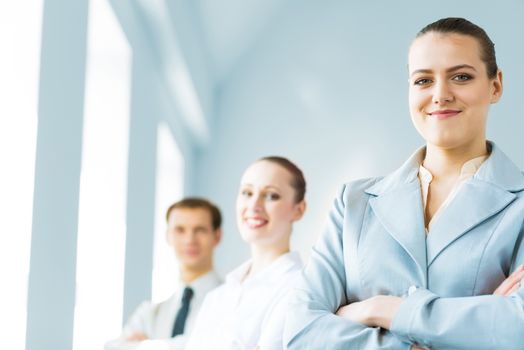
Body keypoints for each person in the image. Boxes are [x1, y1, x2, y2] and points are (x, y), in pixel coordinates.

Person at [284, 17, 524, 350]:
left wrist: (384, 311)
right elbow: (300, 329)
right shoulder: (353, 201)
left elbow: (519, 326)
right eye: (424, 80)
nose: (440, 95)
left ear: (495, 86)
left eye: (461, 77)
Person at [186, 156, 307, 350]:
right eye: (247, 193)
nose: (254, 206)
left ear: (298, 210)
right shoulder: (217, 297)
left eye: (271, 195)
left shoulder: (300, 289)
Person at [105, 198, 223, 350]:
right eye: (180, 230)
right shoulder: (151, 312)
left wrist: (143, 345)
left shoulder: (232, 302)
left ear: (217, 236)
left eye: (200, 230)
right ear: (168, 236)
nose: (189, 240)